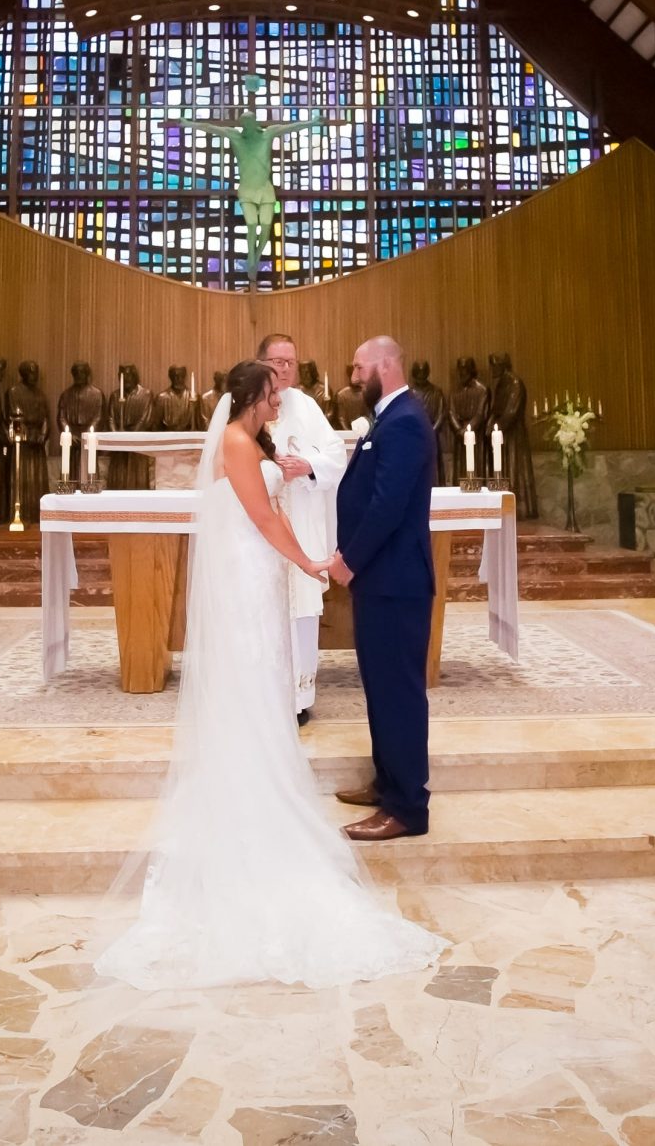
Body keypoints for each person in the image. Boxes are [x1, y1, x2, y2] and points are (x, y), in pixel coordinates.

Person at [95, 361, 441, 989]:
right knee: (248, 675)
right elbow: (262, 519)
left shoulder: (254, 439)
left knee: (268, 676)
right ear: (254, 396)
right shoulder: (233, 440)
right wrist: (311, 561)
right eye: (274, 392)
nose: (282, 397)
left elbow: (276, 503)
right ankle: (247, 790)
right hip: (248, 569)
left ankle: (268, 770)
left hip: (260, 574)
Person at [327, 337, 439, 842]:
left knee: (398, 693)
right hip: (383, 580)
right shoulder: (390, 419)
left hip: (395, 581)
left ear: (387, 366)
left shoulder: (407, 421)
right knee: (380, 688)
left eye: (359, 368)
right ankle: (388, 781)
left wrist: (350, 559)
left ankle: (408, 807)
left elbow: (387, 505)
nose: (353, 377)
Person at [259, 332, 345, 724]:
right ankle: (261, 695)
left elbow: (336, 455)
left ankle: (298, 699)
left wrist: (307, 465)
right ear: (261, 362)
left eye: (291, 362)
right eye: (278, 362)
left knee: (302, 613)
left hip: (302, 526)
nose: (285, 369)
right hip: (259, 532)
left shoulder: (307, 406)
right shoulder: (247, 404)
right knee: (263, 610)